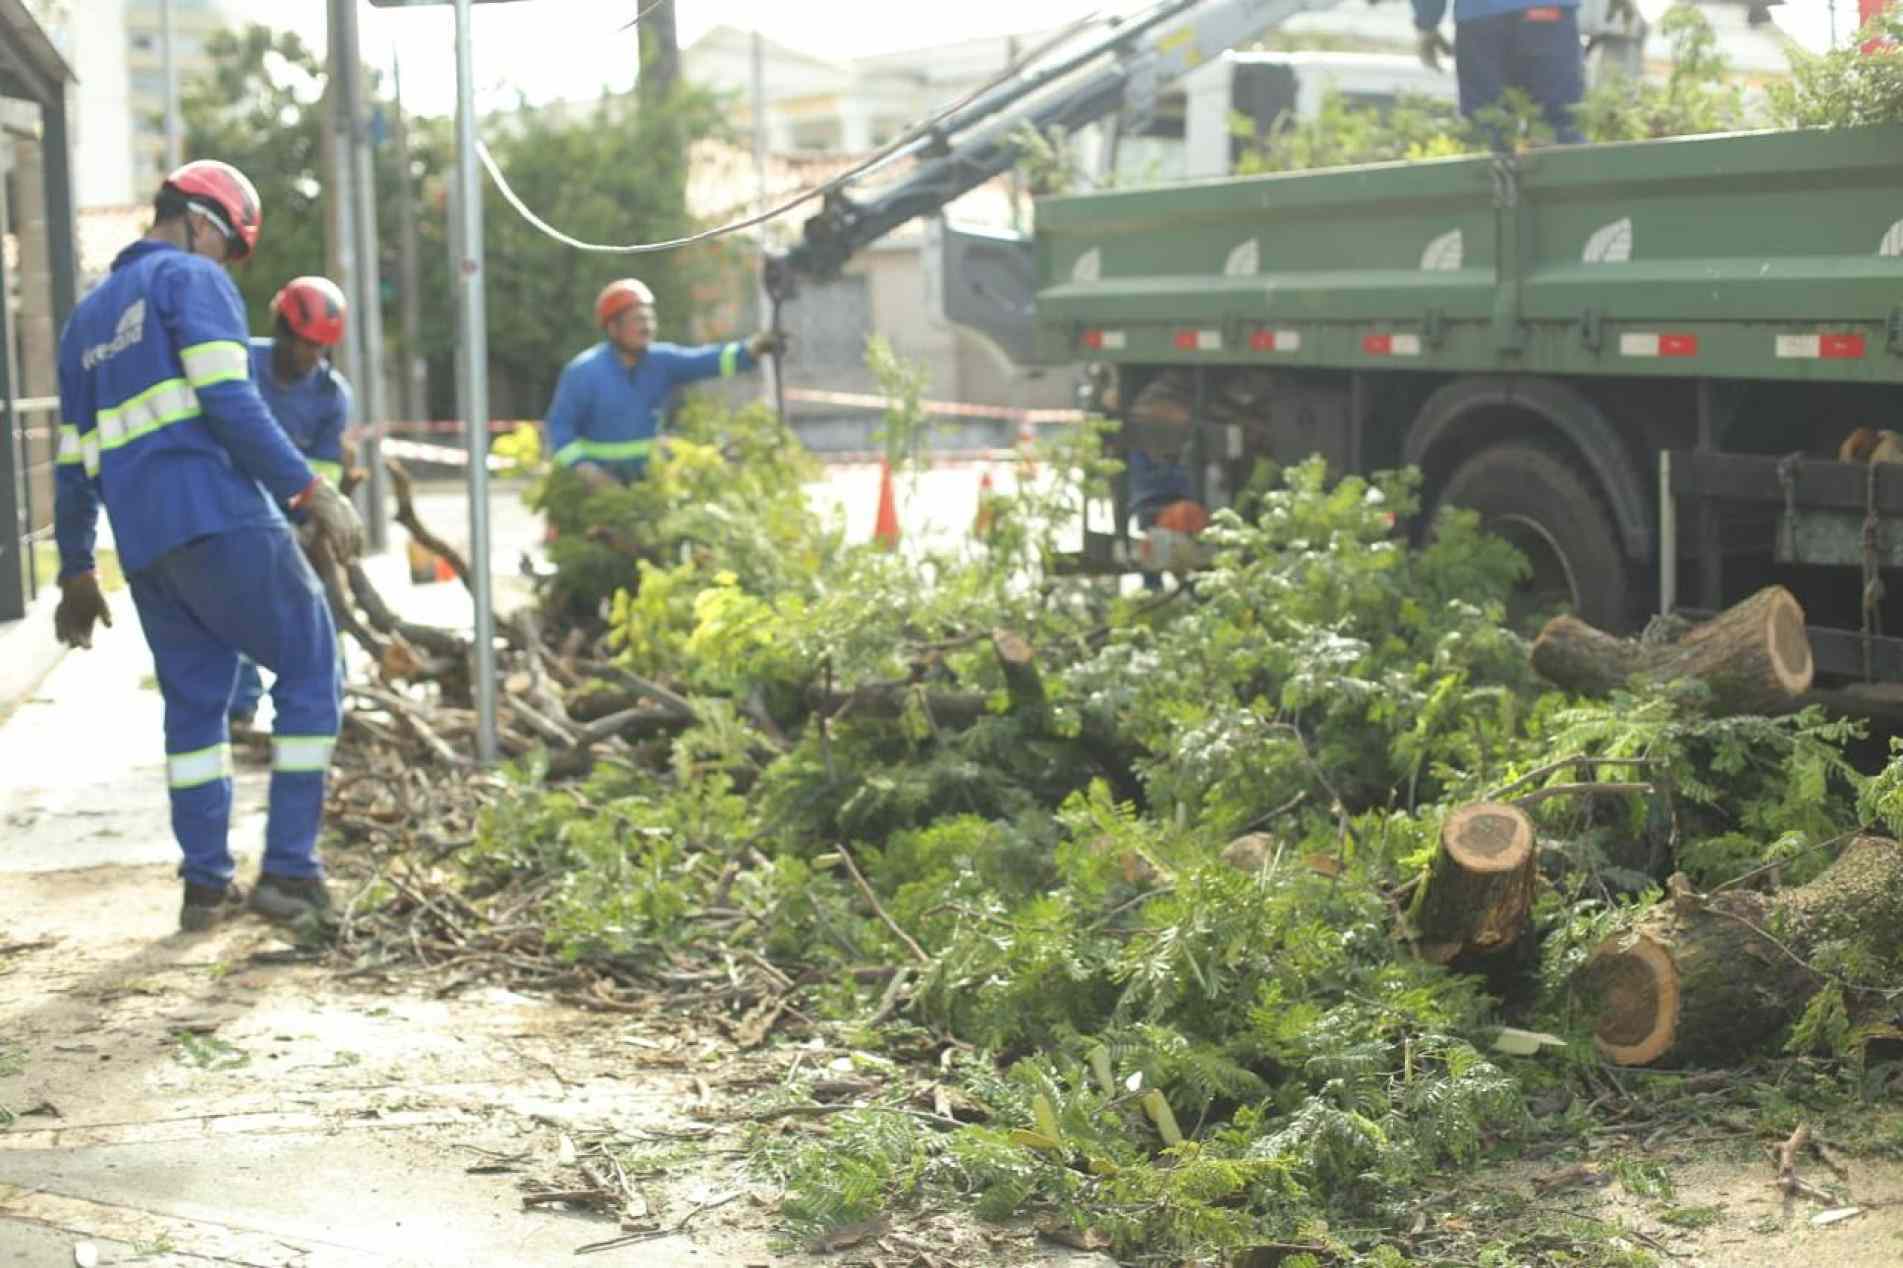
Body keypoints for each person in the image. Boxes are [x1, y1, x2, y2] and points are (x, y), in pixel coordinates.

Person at [52, 160, 364, 933]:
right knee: (312, 667)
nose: (228, 265)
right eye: (229, 247)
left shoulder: (85, 322)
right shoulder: (192, 284)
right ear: (201, 222)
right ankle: (289, 872)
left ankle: (204, 887)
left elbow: (72, 458)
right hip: (222, 517)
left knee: (194, 712)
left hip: (148, 549)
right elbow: (228, 399)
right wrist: (307, 489)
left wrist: (75, 567)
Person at [228, 276, 352, 732]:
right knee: (233, 601)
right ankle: (239, 706)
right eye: (303, 344)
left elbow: (327, 471)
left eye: (320, 348)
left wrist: (306, 529)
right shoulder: (239, 365)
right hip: (236, 512)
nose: (309, 357)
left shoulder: (331, 396)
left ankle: (330, 695)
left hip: (298, 523)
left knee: (321, 602)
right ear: (282, 330)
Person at [544, 277, 785, 489]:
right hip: (594, 486)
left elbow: (705, 361)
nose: (647, 327)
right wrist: (584, 469)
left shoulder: (660, 361)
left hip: (648, 481)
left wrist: (751, 350)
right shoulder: (583, 371)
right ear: (613, 327)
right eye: (638, 320)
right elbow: (558, 428)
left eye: (650, 319)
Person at [1413, 0, 1597, 145]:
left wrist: (1427, 23)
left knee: (1486, 124)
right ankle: (1569, 188)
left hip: (1481, 19)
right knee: (1561, 125)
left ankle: (1488, 186)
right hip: (1549, 13)